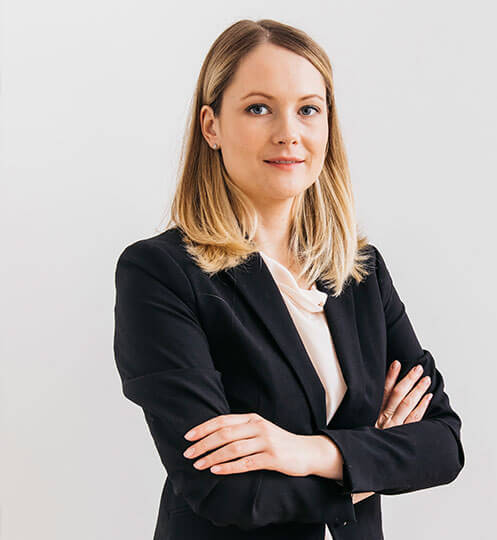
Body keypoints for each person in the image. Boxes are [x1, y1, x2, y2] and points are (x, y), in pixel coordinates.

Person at [113, 18, 465, 540]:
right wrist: (370, 459)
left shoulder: (359, 271)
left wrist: (307, 452)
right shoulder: (160, 274)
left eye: (308, 109)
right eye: (259, 108)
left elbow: (443, 444)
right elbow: (226, 492)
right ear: (211, 126)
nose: (289, 133)